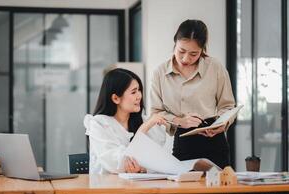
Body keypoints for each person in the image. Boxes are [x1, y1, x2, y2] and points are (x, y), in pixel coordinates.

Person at [150, 19, 235, 169]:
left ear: (202, 50)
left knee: (218, 190)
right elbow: (155, 112)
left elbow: (228, 106)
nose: (185, 59)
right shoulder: (160, 73)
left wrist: (222, 124)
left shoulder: (215, 68)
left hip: (214, 140)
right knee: (184, 190)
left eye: (193, 54)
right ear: (175, 42)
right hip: (184, 142)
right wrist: (179, 120)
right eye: (181, 51)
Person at [84, 68, 167, 174]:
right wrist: (144, 128)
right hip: (107, 188)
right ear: (115, 98)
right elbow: (116, 165)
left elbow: (157, 159)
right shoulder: (99, 124)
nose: (139, 96)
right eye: (133, 92)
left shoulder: (143, 120)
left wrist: (144, 169)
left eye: (139, 90)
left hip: (140, 187)